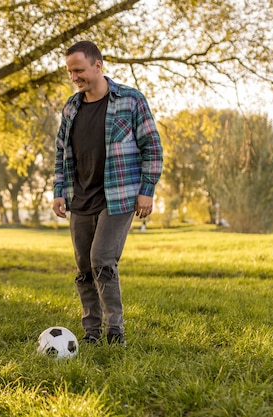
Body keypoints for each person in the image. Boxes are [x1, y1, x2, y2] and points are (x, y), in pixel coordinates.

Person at [52, 41, 163, 346]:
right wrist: (58, 191)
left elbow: (152, 147)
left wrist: (147, 190)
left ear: (98, 66)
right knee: (84, 267)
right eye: (70, 72)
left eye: (79, 70)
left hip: (120, 197)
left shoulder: (130, 100)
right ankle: (91, 332)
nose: (74, 77)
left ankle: (115, 332)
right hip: (81, 197)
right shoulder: (71, 107)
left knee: (102, 259)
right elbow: (62, 152)